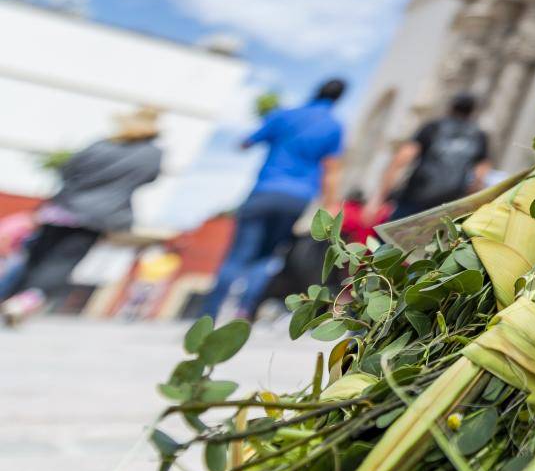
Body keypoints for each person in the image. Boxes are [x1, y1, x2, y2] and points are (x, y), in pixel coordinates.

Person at [1, 106, 164, 324]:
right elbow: (149, 178)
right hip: (97, 218)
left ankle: (14, 298)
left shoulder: (101, 144)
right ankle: (25, 300)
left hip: (61, 210)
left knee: (36, 256)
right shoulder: (152, 154)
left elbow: (68, 169)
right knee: (62, 262)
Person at [200, 78, 346, 321]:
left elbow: (246, 143)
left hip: (265, 190)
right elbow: (331, 168)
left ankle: (208, 314)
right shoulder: (334, 126)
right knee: (267, 255)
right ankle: (244, 314)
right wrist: (330, 203)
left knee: (238, 255)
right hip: (297, 198)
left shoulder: (285, 115)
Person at [374, 93, 491, 220]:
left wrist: (380, 197)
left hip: (415, 199)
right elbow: (480, 174)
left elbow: (402, 158)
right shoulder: (479, 136)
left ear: (451, 107)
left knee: (392, 237)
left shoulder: (433, 127)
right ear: (472, 112)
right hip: (448, 205)